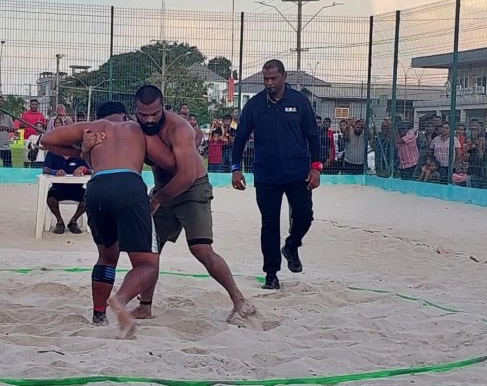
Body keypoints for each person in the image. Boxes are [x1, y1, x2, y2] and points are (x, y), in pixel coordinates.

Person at [96, 85, 256, 324]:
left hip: (192, 188)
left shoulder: (178, 127)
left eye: (154, 114)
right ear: (135, 111)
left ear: (163, 107)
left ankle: (239, 299)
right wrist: (88, 145)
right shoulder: (134, 129)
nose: (149, 119)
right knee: (149, 253)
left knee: (201, 249)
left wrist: (157, 199)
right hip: (162, 190)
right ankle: (145, 306)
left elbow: (186, 175)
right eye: (144, 115)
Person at [39, 101, 175, 337]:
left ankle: (99, 314)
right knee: (147, 264)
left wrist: (82, 151)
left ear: (98, 116)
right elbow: (169, 162)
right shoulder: (136, 129)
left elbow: (47, 140)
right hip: (129, 186)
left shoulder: (91, 128)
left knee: (106, 257)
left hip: (97, 188)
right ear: (123, 115)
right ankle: (121, 299)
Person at [230, 59, 321, 291]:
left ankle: (291, 246)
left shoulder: (299, 102)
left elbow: (312, 135)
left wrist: (315, 167)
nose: (269, 83)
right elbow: (240, 136)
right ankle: (271, 273)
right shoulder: (255, 105)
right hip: (266, 175)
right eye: (266, 79)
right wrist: (236, 168)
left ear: (284, 77)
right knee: (269, 224)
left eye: (273, 78)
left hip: (298, 173)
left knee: (304, 216)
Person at [42, 151, 90, 235]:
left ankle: (73, 221)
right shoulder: (52, 153)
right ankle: (59, 222)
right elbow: (45, 169)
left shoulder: (80, 154)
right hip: (58, 188)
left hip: (77, 188)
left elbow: (91, 171)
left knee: (89, 198)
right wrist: (55, 172)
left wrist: (83, 169)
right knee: (50, 198)